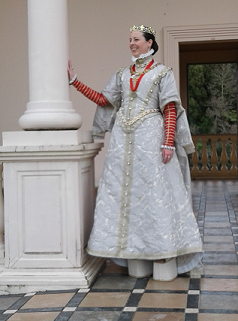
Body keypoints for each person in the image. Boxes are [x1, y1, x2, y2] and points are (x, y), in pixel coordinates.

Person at [68, 24, 203, 281]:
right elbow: (104, 100)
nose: (132, 43)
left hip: (152, 138)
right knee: (126, 194)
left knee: (156, 194)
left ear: (150, 43)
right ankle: (135, 254)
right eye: (129, 39)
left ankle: (164, 254)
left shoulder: (163, 73)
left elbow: (170, 108)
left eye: (137, 39)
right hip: (123, 141)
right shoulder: (122, 74)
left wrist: (167, 142)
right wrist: (75, 82)